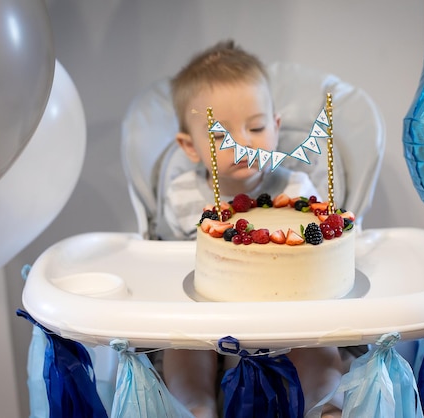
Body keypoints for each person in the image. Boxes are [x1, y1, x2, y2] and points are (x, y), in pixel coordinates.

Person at [160, 40, 346, 418]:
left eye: (256, 127)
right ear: (190, 146)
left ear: (275, 127)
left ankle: (325, 406)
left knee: (320, 350)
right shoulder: (181, 195)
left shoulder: (297, 191)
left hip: (288, 316)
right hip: (207, 320)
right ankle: (196, 406)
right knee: (180, 350)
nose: (243, 143)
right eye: (218, 136)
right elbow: (172, 264)